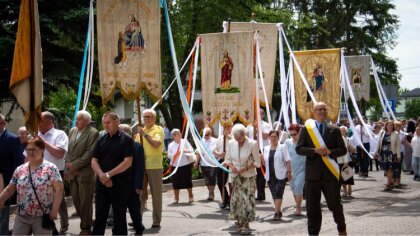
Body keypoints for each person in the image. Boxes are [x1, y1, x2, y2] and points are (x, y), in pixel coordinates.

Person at [296, 102, 347, 235]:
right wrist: (314, 150)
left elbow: (343, 149)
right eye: (319, 109)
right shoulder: (306, 129)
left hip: (330, 174)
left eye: (324, 109)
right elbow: (299, 149)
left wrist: (329, 152)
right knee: (312, 208)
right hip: (312, 175)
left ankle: (341, 228)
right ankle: (313, 233)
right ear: (314, 111)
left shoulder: (334, 129)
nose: (322, 111)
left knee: (335, 205)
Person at [0, 137, 64, 235]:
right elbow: (10, 189)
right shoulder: (20, 169)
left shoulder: (51, 168)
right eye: (28, 149)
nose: (30, 152)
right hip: (22, 216)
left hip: (42, 216)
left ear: (42, 150)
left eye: (34, 149)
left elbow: (59, 190)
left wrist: (54, 211)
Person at [91, 112, 133, 235]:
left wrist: (108, 175)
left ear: (117, 122)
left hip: (119, 185)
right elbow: (93, 161)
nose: (105, 125)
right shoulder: (101, 139)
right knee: (100, 216)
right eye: (104, 123)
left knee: (119, 217)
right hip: (102, 185)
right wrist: (102, 176)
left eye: (108, 122)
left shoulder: (126, 139)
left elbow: (128, 162)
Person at [65, 110, 99, 235]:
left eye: (79, 119)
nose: (76, 121)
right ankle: (88, 220)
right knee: (76, 200)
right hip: (72, 172)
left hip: (85, 172)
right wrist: (69, 163)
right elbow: (68, 149)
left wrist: (75, 165)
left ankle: (85, 228)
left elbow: (90, 153)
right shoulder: (72, 131)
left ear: (87, 121)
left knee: (85, 201)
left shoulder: (93, 133)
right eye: (76, 119)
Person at [224, 124, 260, 235]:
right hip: (235, 176)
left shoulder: (252, 144)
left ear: (244, 135)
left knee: (247, 199)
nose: (237, 141)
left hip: (248, 176)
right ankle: (239, 220)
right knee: (237, 199)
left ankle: (246, 223)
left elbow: (257, 162)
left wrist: (246, 168)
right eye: (235, 138)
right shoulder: (231, 143)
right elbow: (227, 159)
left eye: (239, 138)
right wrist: (232, 167)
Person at [37, 111, 69, 234]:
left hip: (55, 173)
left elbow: (60, 153)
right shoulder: (37, 134)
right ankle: (50, 228)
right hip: (39, 173)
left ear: (50, 121)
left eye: (40, 121)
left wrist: (43, 142)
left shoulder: (60, 134)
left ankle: (64, 225)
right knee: (42, 200)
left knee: (59, 200)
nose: (38, 124)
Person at [135, 109, 164, 228]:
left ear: (154, 118)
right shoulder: (141, 131)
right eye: (144, 117)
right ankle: (137, 219)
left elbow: (156, 144)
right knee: (140, 194)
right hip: (141, 166)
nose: (146, 119)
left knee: (156, 195)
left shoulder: (158, 129)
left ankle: (156, 220)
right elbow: (136, 148)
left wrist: (145, 135)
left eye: (148, 117)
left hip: (154, 166)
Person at [0, 114, 25, 235]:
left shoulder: (12, 139)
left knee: (2, 214)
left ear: (3, 123)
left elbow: (19, 163)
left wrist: (13, 183)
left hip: (4, 181)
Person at [119, 124, 145, 235]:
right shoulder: (116, 145)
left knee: (134, 209)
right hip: (118, 183)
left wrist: (138, 185)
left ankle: (138, 227)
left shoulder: (137, 147)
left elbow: (140, 167)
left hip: (132, 184)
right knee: (119, 211)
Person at [262, 130, 291, 221]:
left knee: (279, 193)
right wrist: (261, 159)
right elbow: (264, 164)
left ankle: (276, 212)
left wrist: (289, 172)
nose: (273, 138)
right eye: (271, 136)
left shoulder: (283, 147)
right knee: (274, 194)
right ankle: (279, 211)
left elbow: (287, 160)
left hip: (281, 174)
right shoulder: (266, 148)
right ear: (269, 138)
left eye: (275, 136)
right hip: (270, 175)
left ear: (278, 137)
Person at [247, 109, 271, 201]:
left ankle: (261, 194)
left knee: (261, 173)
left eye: (259, 114)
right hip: (251, 151)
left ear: (262, 115)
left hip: (262, 150)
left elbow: (265, 136)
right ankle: (251, 193)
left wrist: (258, 128)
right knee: (252, 172)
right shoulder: (249, 126)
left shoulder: (266, 125)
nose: (256, 116)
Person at [167, 129, 194, 204]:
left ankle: (191, 196)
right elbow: (169, 155)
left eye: (180, 133)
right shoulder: (170, 145)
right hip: (175, 166)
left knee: (188, 181)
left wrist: (186, 150)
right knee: (176, 182)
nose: (180, 135)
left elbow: (191, 150)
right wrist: (177, 153)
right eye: (178, 134)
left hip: (185, 164)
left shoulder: (184, 141)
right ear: (174, 136)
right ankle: (176, 198)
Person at [285, 124, 306, 216]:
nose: (293, 136)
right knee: (293, 188)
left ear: (299, 133)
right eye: (291, 134)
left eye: (294, 134)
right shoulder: (287, 142)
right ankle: (298, 205)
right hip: (291, 169)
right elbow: (285, 155)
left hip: (302, 169)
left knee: (298, 187)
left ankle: (298, 207)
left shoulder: (304, 142)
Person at [375, 121, 401, 191]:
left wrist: (398, 156)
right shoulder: (382, 133)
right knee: (385, 169)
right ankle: (391, 182)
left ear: (393, 127)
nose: (390, 127)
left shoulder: (396, 134)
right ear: (386, 126)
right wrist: (376, 152)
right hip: (383, 154)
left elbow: (398, 145)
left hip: (392, 154)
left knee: (390, 169)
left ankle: (388, 184)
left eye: (391, 125)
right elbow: (378, 142)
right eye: (389, 125)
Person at [213, 122, 233, 209]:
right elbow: (214, 150)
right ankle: (225, 199)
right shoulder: (220, 138)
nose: (227, 128)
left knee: (231, 183)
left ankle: (232, 201)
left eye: (228, 126)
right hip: (221, 161)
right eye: (225, 126)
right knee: (220, 182)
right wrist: (220, 154)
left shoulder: (234, 137)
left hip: (231, 162)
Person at [194, 127, 218, 201]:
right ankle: (211, 192)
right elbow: (199, 153)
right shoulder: (201, 141)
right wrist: (196, 162)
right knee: (207, 180)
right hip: (204, 164)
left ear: (210, 134)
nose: (205, 136)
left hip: (213, 164)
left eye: (207, 134)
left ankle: (211, 194)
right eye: (204, 135)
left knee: (212, 179)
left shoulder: (215, 141)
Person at [338, 126, 355, 198]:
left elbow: (354, 150)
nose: (342, 132)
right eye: (340, 131)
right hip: (339, 159)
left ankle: (349, 187)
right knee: (342, 176)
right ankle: (344, 190)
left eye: (343, 131)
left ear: (346, 132)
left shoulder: (349, 139)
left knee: (348, 175)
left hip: (348, 159)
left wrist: (349, 146)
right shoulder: (338, 139)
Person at [393, 121, 405, 187]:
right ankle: (393, 180)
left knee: (399, 167)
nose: (399, 127)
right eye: (397, 126)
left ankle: (398, 181)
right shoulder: (393, 133)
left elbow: (404, 143)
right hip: (394, 152)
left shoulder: (402, 134)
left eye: (400, 126)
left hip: (400, 152)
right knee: (393, 166)